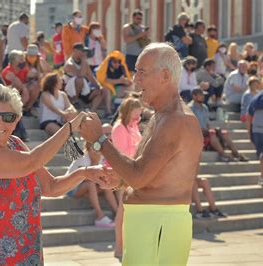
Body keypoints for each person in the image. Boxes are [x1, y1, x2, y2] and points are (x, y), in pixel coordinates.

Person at [80, 43, 203, 265]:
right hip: (153, 223)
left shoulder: (175, 119)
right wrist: (119, 180)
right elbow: (148, 175)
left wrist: (99, 139)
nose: (135, 79)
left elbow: (139, 176)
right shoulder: (163, 117)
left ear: (165, 75)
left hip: (157, 223)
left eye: (142, 72)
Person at [0, 84, 110, 265]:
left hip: (28, 255)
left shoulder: (15, 143)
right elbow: (31, 162)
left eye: (8, 117)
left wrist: (84, 173)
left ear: (17, 120)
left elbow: (51, 187)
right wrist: (69, 128)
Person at [109, 97, 143, 260]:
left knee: (132, 212)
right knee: (122, 211)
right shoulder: (118, 128)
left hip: (135, 172)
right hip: (124, 173)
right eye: (136, 115)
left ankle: (129, 246)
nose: (138, 118)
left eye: (139, 115)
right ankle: (119, 248)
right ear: (128, 112)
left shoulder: (133, 126)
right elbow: (122, 153)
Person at [66, 141, 118, 227]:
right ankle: (100, 216)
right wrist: (95, 162)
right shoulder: (82, 158)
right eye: (94, 149)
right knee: (90, 184)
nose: (97, 152)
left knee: (107, 186)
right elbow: (85, 178)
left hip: (86, 187)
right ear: (88, 149)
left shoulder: (101, 158)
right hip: (71, 188)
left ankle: (117, 213)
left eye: (98, 149)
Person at [190, 88, 248, 162]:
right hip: (196, 133)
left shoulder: (205, 107)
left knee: (223, 133)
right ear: (194, 96)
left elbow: (207, 123)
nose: (203, 97)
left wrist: (209, 129)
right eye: (200, 95)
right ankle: (223, 154)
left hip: (205, 131)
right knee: (212, 133)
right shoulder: (190, 108)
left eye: (203, 95)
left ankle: (236, 153)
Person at [63, 43, 111, 117]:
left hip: (83, 90)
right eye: (82, 51)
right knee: (80, 80)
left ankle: (96, 112)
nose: (83, 53)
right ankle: (75, 101)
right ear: (75, 51)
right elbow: (80, 74)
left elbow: (91, 77)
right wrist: (83, 60)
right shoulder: (69, 64)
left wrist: (99, 86)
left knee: (103, 90)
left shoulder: (83, 63)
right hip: (71, 92)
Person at [1, 50, 39, 115]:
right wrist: (24, 89)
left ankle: (27, 109)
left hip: (21, 90)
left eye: (23, 59)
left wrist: (37, 65)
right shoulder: (7, 72)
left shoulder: (23, 69)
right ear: (13, 61)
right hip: (8, 94)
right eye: (21, 59)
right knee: (16, 88)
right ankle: (16, 111)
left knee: (35, 86)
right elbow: (16, 82)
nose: (23, 61)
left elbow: (34, 74)